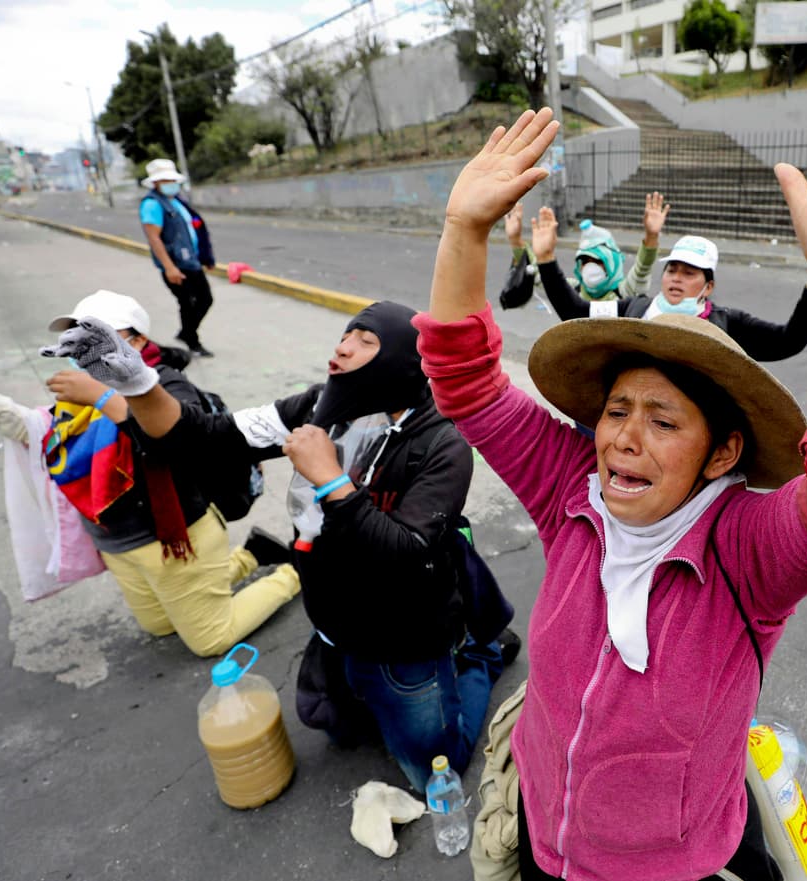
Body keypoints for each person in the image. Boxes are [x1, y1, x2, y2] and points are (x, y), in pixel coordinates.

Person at [415, 83, 807, 881]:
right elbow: (468, 383)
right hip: (542, 838)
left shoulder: (744, 549)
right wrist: (464, 228)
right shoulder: (570, 490)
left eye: (663, 421)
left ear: (722, 454)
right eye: (617, 408)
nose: (624, 436)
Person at [44, 300, 514, 793]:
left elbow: (406, 554)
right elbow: (204, 439)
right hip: (335, 623)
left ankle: (481, 658)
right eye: (346, 333)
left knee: (434, 769)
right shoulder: (319, 407)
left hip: (405, 640)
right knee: (340, 727)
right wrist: (137, 385)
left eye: (366, 340)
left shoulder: (441, 443)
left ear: (401, 360)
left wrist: (332, 480)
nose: (344, 345)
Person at [0, 290, 300, 656]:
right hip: (115, 542)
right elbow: (60, 441)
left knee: (211, 638)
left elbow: (184, 443)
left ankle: (294, 574)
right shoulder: (77, 393)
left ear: (139, 339)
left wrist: (104, 396)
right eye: (79, 343)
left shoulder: (164, 382)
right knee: (160, 625)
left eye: (101, 339)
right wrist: (15, 421)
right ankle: (250, 556)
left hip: (174, 535)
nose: (88, 354)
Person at [536, 217, 807, 363]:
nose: (677, 278)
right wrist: (547, 260)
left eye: (689, 273)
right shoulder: (634, 309)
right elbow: (574, 311)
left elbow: (787, 341)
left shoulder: (727, 323)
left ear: (708, 286)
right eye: (672, 270)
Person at [498, 193, 668, 309]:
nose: (590, 267)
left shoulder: (626, 292)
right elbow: (539, 274)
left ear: (612, 263)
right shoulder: (575, 290)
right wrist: (516, 240)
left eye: (597, 261)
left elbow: (642, 267)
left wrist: (651, 236)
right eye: (585, 261)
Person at [139, 158, 216, 357]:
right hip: (176, 265)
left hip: (191, 261)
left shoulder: (177, 201)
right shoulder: (152, 204)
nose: (170, 184)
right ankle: (192, 341)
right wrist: (169, 267)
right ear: (155, 182)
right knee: (187, 303)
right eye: (165, 180)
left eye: (171, 179)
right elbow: (154, 238)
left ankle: (186, 333)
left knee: (204, 299)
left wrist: (205, 257)